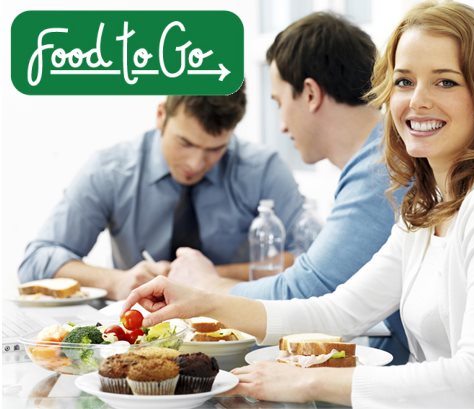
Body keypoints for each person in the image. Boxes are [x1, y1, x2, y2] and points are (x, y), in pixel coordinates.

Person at [122, 1, 474, 407]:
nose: (417, 101)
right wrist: (201, 303)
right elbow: (334, 311)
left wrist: (309, 383)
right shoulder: (424, 208)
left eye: (445, 81)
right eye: (404, 81)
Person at [166, 12, 410, 364]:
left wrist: (206, 287)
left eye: (279, 103)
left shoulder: (381, 169)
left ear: (310, 94)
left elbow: (307, 292)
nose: (281, 126)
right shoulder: (377, 160)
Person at [18, 84, 306, 300]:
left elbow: (307, 259)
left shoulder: (263, 169)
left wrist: (207, 277)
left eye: (215, 149)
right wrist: (117, 281)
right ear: (160, 115)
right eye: (185, 143)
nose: (196, 163)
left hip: (242, 332)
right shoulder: (110, 170)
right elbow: (36, 261)